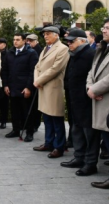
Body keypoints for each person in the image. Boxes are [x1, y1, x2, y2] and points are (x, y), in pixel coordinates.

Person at [60, 29, 99, 176]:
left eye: (72, 41)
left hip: (87, 100)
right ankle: (78, 157)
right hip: (74, 98)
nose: (69, 43)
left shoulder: (90, 55)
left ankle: (90, 163)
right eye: (68, 41)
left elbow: (94, 77)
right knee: (76, 129)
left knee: (89, 133)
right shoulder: (74, 54)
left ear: (82, 41)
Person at [33, 26, 69, 159]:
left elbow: (56, 69)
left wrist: (39, 80)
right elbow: (38, 66)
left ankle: (59, 146)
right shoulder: (45, 48)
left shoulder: (62, 48)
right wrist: (37, 80)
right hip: (42, 86)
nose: (45, 36)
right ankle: (48, 142)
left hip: (53, 87)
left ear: (56, 35)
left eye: (48, 34)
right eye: (44, 34)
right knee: (47, 117)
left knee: (56, 118)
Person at [87, 18, 109, 197]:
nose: (103, 31)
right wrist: (90, 87)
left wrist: (95, 89)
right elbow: (92, 71)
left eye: (108, 28)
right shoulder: (102, 47)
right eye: (103, 28)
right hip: (98, 97)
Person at [1, 33, 38, 142]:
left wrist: (28, 87)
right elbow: (5, 70)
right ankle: (15, 130)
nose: (15, 42)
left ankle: (29, 133)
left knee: (27, 112)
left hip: (24, 87)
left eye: (18, 39)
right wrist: (6, 85)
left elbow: (33, 72)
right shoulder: (10, 53)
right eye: (14, 39)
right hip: (12, 87)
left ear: (24, 41)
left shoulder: (31, 53)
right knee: (14, 110)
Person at [0, 38, 9, 129]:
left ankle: (3, 121)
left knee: (4, 103)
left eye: (0, 43)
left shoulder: (8, 54)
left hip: (4, 81)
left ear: (5, 45)